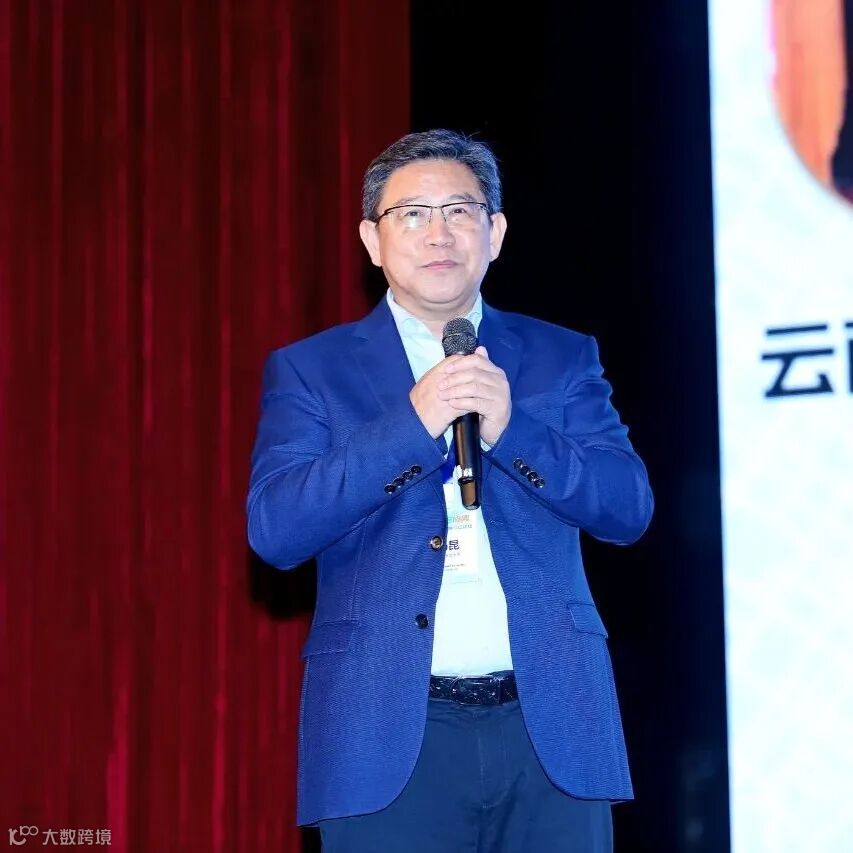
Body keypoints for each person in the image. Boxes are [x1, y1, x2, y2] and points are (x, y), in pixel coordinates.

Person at [246, 129, 653, 852]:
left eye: (460, 211)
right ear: (372, 241)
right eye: (411, 214)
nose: (438, 233)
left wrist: (514, 429)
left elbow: (627, 509)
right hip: (386, 731)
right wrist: (413, 424)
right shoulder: (312, 370)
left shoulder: (561, 356)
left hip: (550, 723)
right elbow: (277, 529)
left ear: (495, 232)